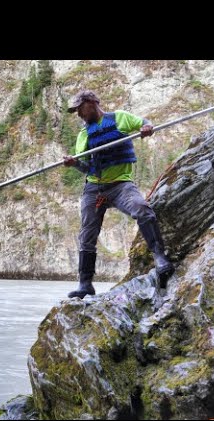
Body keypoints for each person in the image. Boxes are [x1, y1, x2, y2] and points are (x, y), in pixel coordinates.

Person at [63, 90, 174, 298]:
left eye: (80, 108)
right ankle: (85, 284)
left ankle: (160, 259)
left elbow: (144, 122)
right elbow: (87, 168)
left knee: (142, 209)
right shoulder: (83, 135)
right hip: (94, 189)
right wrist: (75, 163)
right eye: (76, 110)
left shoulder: (120, 118)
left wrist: (147, 127)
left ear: (93, 103)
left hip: (121, 185)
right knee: (87, 235)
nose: (78, 114)